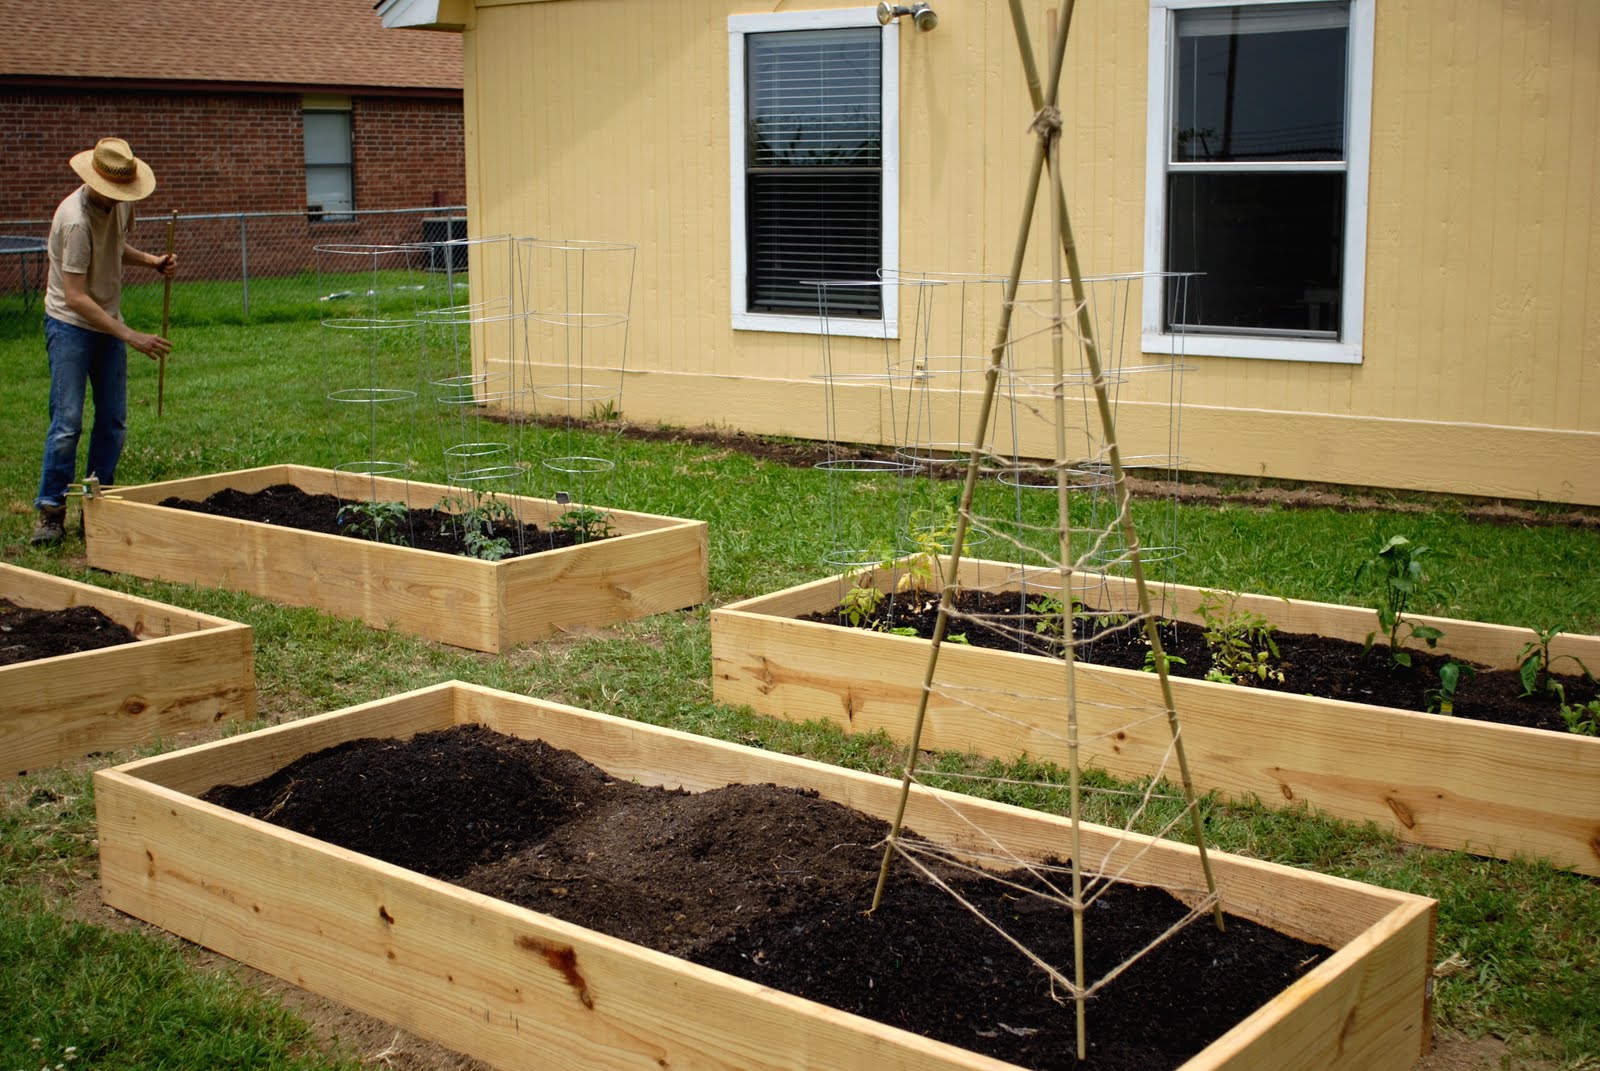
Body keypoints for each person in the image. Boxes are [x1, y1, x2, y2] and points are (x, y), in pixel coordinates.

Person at [30, 137, 177, 545]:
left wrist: (152, 262)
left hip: (107, 322)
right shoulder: (74, 221)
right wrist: (131, 335)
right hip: (70, 325)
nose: (120, 198)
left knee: (113, 421)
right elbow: (76, 297)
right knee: (68, 423)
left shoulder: (121, 203)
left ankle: (97, 507)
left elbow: (114, 246)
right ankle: (51, 511)